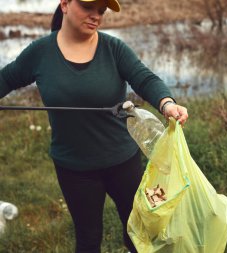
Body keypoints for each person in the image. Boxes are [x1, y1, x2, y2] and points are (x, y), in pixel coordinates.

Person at [0, 0, 188, 252]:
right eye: (88, 7)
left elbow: (144, 78)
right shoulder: (40, 53)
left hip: (122, 161)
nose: (95, 15)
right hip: (74, 168)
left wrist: (166, 104)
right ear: (65, 4)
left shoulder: (113, 49)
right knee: (88, 239)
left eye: (101, 10)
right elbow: (7, 78)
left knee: (137, 234)